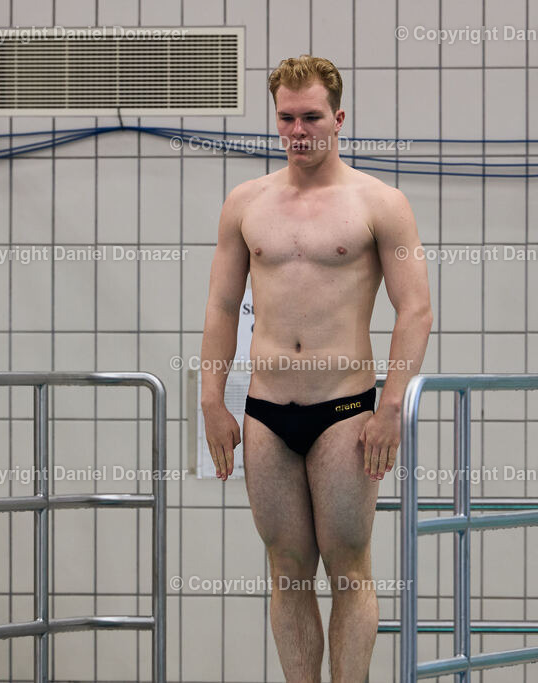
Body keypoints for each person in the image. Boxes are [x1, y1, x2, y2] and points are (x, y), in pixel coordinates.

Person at [199, 54, 433, 682]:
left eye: (311, 117)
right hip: (266, 414)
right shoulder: (246, 203)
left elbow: (415, 310)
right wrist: (211, 401)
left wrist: (391, 408)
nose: (298, 131)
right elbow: (222, 306)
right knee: (285, 566)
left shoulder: (381, 203)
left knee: (348, 566)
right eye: (286, 118)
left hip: (345, 413)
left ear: (339, 119)